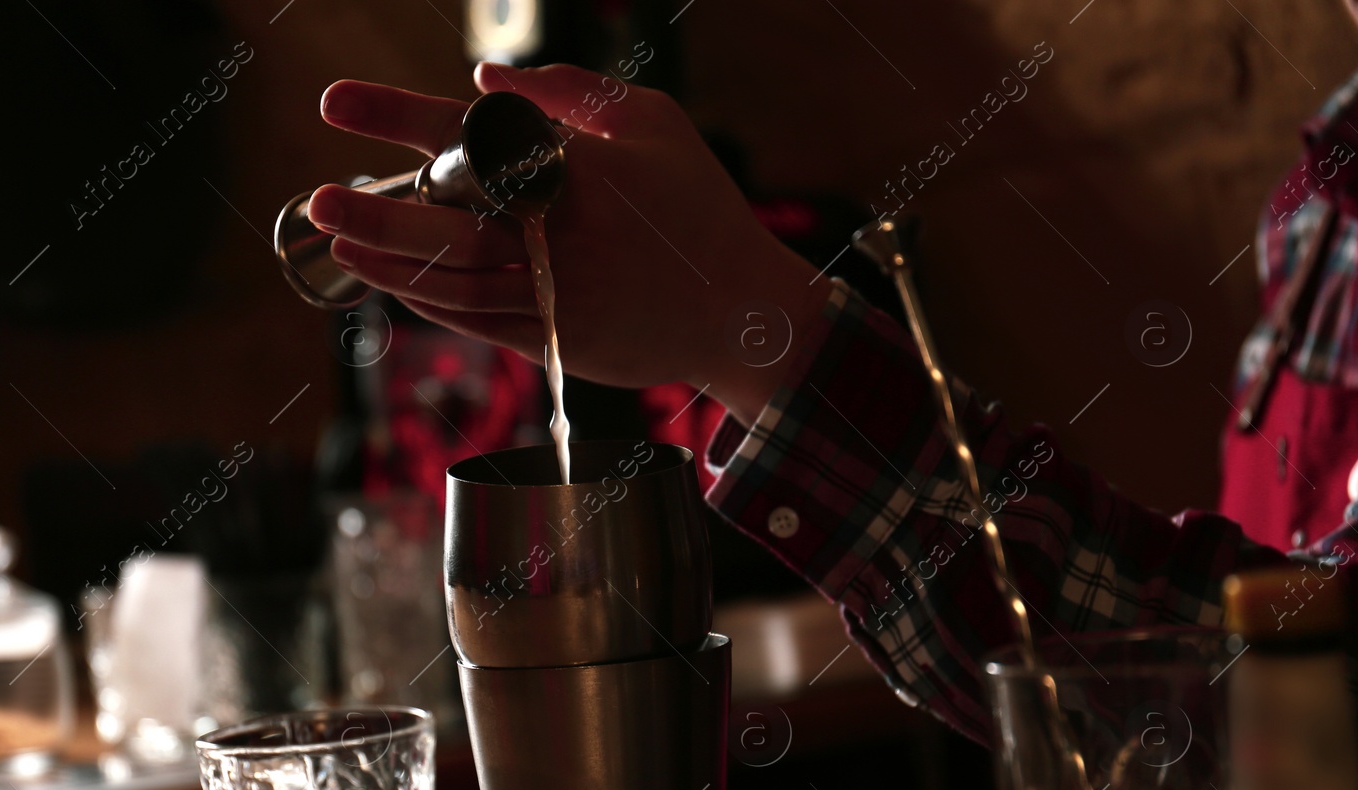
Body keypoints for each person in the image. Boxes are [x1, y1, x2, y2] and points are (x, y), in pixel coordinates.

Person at [305, 59, 1356, 745]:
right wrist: (749, 330)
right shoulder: (1318, 211)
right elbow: (1234, 647)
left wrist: (756, 324)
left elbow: (1308, 716)